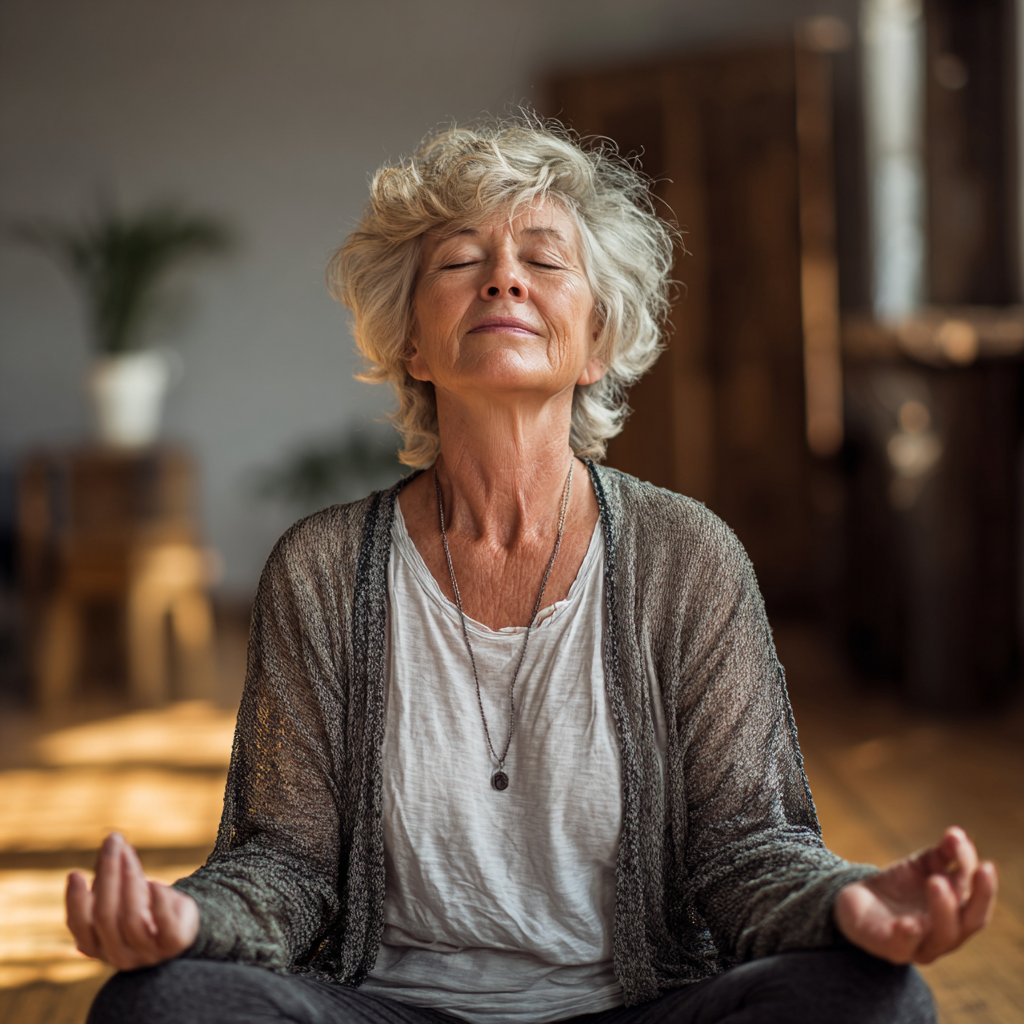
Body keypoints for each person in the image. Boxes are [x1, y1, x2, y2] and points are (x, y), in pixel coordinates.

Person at [73, 117, 995, 1024]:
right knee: (158, 1001)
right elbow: (289, 863)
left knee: (877, 997)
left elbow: (745, 852)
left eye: (544, 261)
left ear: (597, 341)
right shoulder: (319, 570)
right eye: (461, 261)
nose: (504, 277)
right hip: (390, 1009)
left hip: (632, 1007)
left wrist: (849, 903)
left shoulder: (688, 556)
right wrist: (193, 920)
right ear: (411, 344)